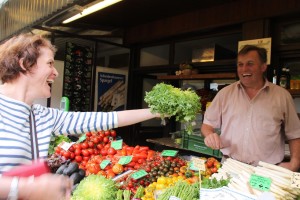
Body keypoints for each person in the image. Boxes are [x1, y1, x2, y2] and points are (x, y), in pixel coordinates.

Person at [0, 33, 163, 199]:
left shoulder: (42, 116)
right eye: (49, 63)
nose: (55, 73)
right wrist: (29, 188)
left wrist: (155, 112)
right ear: (24, 64)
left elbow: (106, 119)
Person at [201, 45, 300, 172]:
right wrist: (209, 135)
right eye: (240, 64)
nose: (244, 69)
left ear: (263, 67)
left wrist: (295, 163)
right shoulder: (224, 94)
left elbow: (295, 133)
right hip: (231, 167)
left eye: (250, 64)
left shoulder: (282, 96)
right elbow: (207, 125)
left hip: (267, 171)